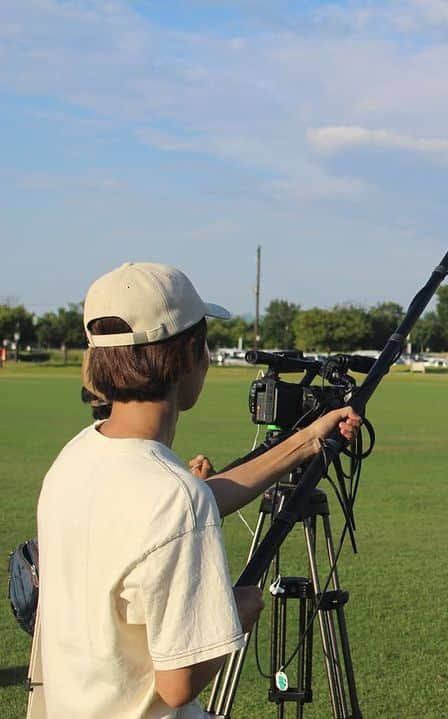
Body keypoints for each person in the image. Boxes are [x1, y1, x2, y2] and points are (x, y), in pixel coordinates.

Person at [35, 261, 361, 718]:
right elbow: (178, 684)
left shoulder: (76, 457)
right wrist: (236, 612)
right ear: (188, 356)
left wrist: (305, 442)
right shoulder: (172, 496)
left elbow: (188, 504)